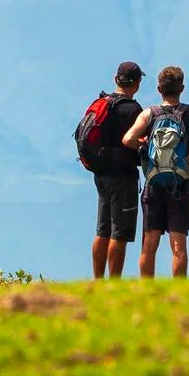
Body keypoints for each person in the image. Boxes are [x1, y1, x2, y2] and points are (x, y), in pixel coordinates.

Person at [122, 64, 189, 279]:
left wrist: (143, 145)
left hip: (154, 184)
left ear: (159, 89)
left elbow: (127, 139)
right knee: (178, 242)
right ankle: (178, 291)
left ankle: (147, 293)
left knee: (150, 242)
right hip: (181, 185)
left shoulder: (148, 114)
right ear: (182, 88)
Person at [80, 61, 146, 278]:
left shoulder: (103, 103)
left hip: (100, 173)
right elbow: (133, 141)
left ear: (116, 80)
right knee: (120, 232)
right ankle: (114, 282)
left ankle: (98, 279)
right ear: (136, 84)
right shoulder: (132, 109)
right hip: (123, 176)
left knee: (102, 229)